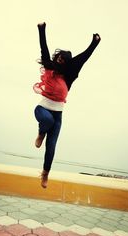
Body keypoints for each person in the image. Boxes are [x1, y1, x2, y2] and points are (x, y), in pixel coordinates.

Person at [33, 22, 101, 188]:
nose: (59, 60)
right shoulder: (49, 68)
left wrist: (94, 43)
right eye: (58, 58)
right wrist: (42, 29)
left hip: (58, 115)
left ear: (66, 63)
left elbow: (82, 59)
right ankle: (41, 133)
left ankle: (45, 174)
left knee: (51, 147)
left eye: (63, 60)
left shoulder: (69, 78)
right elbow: (44, 48)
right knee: (47, 121)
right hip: (42, 109)